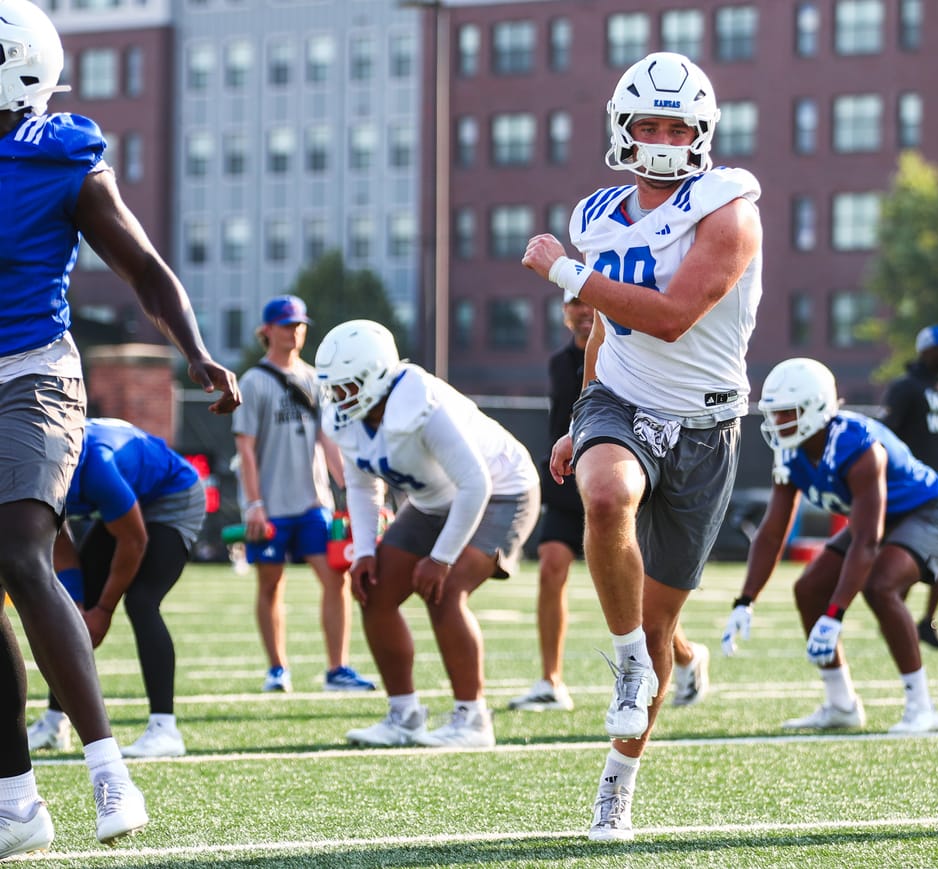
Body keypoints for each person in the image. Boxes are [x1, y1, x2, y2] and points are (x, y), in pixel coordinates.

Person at [0, 1, 240, 858]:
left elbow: (142, 266)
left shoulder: (59, 156)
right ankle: (18, 799)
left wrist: (200, 354)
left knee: (21, 550)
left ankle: (108, 767)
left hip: (32, 375)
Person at [520, 51, 760, 842]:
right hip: (621, 400)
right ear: (623, 129)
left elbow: (666, 315)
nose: (660, 138)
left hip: (704, 427)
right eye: (648, 124)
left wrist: (565, 275)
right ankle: (626, 660)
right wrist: (580, 411)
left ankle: (618, 779)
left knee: (664, 627)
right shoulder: (595, 213)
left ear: (703, 133)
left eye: (676, 125)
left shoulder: (730, 207)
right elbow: (609, 333)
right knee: (604, 495)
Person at [315, 320, 539, 750]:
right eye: (334, 389)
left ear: (378, 374)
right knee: (374, 590)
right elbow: (361, 484)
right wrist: (364, 552)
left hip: (501, 491)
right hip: (433, 499)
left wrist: (439, 559)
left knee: (445, 589)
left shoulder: (423, 404)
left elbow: (476, 484)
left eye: (347, 387)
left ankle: (473, 719)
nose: (338, 399)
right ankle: (404, 715)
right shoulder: (350, 418)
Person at [721, 358, 938, 736]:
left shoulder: (859, 446)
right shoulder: (792, 447)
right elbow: (773, 530)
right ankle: (841, 704)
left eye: (787, 413)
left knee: (881, 586)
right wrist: (746, 599)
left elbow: (867, 542)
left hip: (932, 510)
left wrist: (835, 614)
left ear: (817, 408)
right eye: (775, 414)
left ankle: (922, 706)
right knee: (808, 588)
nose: (778, 423)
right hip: (883, 517)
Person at [509, 299, 710, 713]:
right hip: (573, 481)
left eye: (588, 300)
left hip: (619, 481)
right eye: (572, 303)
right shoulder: (559, 362)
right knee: (550, 565)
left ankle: (687, 656)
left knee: (641, 595)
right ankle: (551, 681)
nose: (582, 310)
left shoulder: (627, 349)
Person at [26, 419, 209, 760]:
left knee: (141, 600)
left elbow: (134, 539)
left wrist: (104, 612)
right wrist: (80, 603)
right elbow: (58, 535)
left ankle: (164, 729)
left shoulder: (95, 463)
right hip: (128, 498)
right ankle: (55, 722)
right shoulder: (34, 462)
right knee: (67, 609)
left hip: (171, 495)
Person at [233, 294, 374, 694]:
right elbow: (246, 449)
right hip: (271, 507)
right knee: (270, 585)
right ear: (267, 331)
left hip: (314, 502)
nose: (294, 332)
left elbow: (328, 439)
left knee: (336, 580)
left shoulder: (316, 379)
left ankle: (337, 668)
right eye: (286, 325)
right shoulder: (254, 381)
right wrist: (255, 505)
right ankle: (277, 668)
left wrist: (350, 488)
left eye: (299, 325)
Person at [881, 324, 938, 650]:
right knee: (908, 551)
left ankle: (927, 620)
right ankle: (894, 614)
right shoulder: (905, 388)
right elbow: (888, 433)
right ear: (925, 351)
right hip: (917, 484)